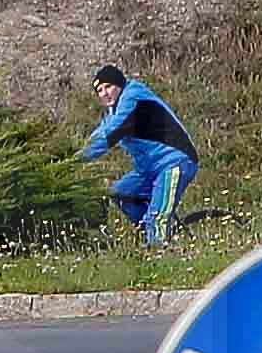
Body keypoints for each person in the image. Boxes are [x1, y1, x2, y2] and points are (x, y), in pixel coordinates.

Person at [80, 67, 199, 249]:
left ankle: (160, 249)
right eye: (100, 90)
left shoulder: (132, 97)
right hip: (148, 169)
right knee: (120, 193)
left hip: (174, 162)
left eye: (108, 86)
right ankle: (153, 235)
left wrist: (79, 160)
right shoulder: (115, 109)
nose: (105, 93)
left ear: (120, 84)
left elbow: (110, 133)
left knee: (156, 218)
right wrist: (73, 154)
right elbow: (101, 132)